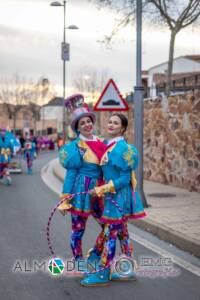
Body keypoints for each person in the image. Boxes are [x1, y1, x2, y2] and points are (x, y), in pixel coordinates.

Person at [81, 113, 146, 286]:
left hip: (119, 196)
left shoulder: (124, 149)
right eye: (110, 121)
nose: (111, 124)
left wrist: (103, 188)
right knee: (122, 232)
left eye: (116, 123)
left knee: (110, 233)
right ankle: (128, 268)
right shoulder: (107, 145)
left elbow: (125, 179)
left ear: (123, 128)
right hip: (110, 196)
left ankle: (103, 272)